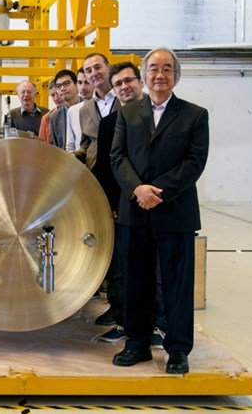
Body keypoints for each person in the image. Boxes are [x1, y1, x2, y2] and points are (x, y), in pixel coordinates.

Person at [110, 47, 209, 375]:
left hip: (175, 212)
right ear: (144, 76)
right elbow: (118, 157)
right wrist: (137, 189)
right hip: (135, 211)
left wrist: (158, 192)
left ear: (175, 76)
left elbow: (194, 162)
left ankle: (178, 350)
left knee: (176, 284)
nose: (160, 75)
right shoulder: (127, 113)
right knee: (135, 281)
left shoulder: (195, 114)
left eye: (167, 69)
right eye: (153, 68)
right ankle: (136, 343)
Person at [91, 62, 164, 344]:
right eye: (118, 83)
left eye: (128, 81)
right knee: (124, 268)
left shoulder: (161, 117)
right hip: (124, 204)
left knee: (156, 270)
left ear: (141, 82)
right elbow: (108, 167)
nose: (124, 87)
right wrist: (107, 202)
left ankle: (158, 326)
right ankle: (124, 323)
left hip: (156, 201)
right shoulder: (110, 123)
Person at [74, 53, 117, 169]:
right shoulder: (85, 110)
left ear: (109, 67)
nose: (94, 73)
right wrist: (68, 156)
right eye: (88, 71)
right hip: (97, 175)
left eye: (98, 67)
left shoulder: (127, 101)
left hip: (125, 175)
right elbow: (85, 147)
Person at [48, 69, 79, 148]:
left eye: (66, 83)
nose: (62, 89)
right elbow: (56, 148)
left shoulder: (89, 108)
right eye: (58, 86)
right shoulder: (54, 118)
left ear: (76, 85)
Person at [65, 68, 93, 152]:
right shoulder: (73, 111)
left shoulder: (103, 108)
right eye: (80, 82)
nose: (82, 87)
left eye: (87, 82)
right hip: (79, 162)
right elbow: (70, 145)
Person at [38, 78, 63, 144]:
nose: (56, 98)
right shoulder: (46, 118)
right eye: (53, 95)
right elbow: (42, 144)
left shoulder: (75, 112)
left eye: (58, 94)